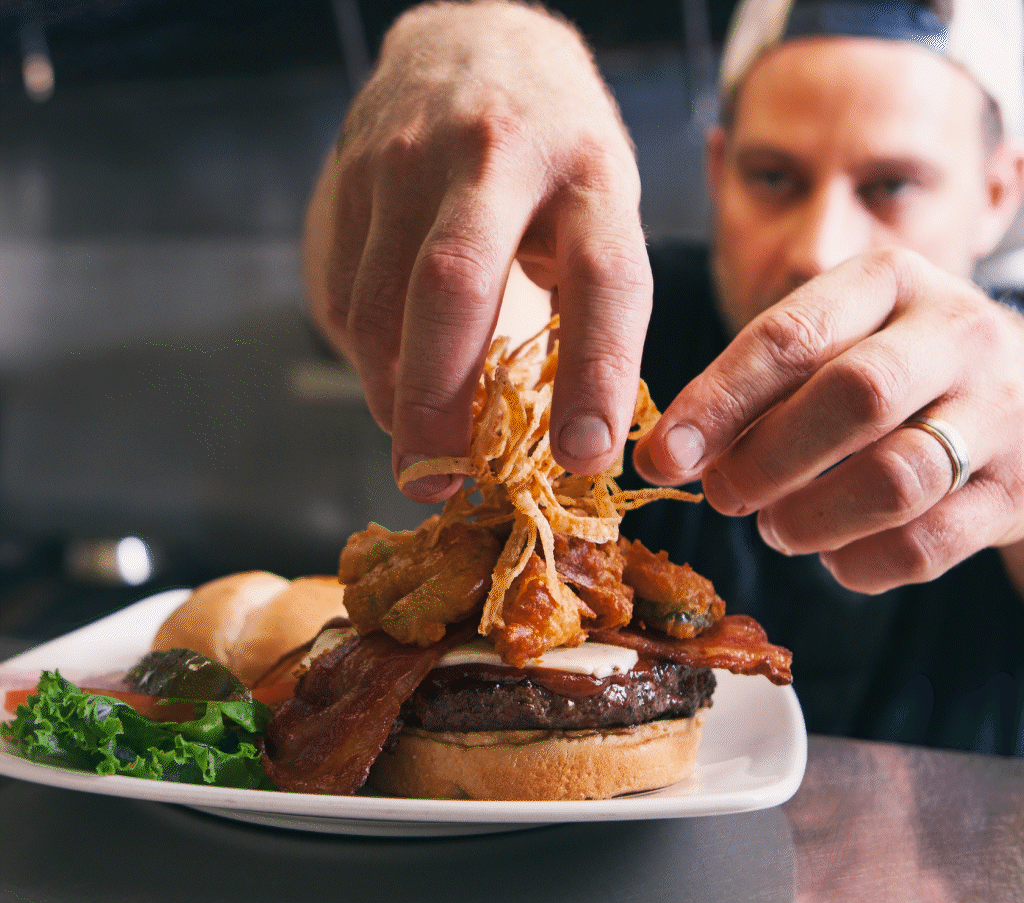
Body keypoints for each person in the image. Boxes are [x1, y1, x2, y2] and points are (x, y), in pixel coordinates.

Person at [303, 0, 1024, 753]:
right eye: (774, 176)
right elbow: (407, 302)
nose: (818, 247)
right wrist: (459, 45)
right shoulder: (620, 312)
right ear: (719, 169)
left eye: (892, 186)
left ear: (998, 193)